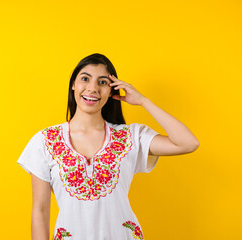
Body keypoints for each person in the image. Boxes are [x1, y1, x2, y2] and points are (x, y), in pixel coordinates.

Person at [17, 53, 199, 240]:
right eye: (85, 79)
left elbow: (188, 143)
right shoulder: (45, 141)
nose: (92, 88)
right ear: (73, 84)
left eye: (102, 82)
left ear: (112, 90)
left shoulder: (130, 137)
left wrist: (143, 101)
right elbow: (40, 210)